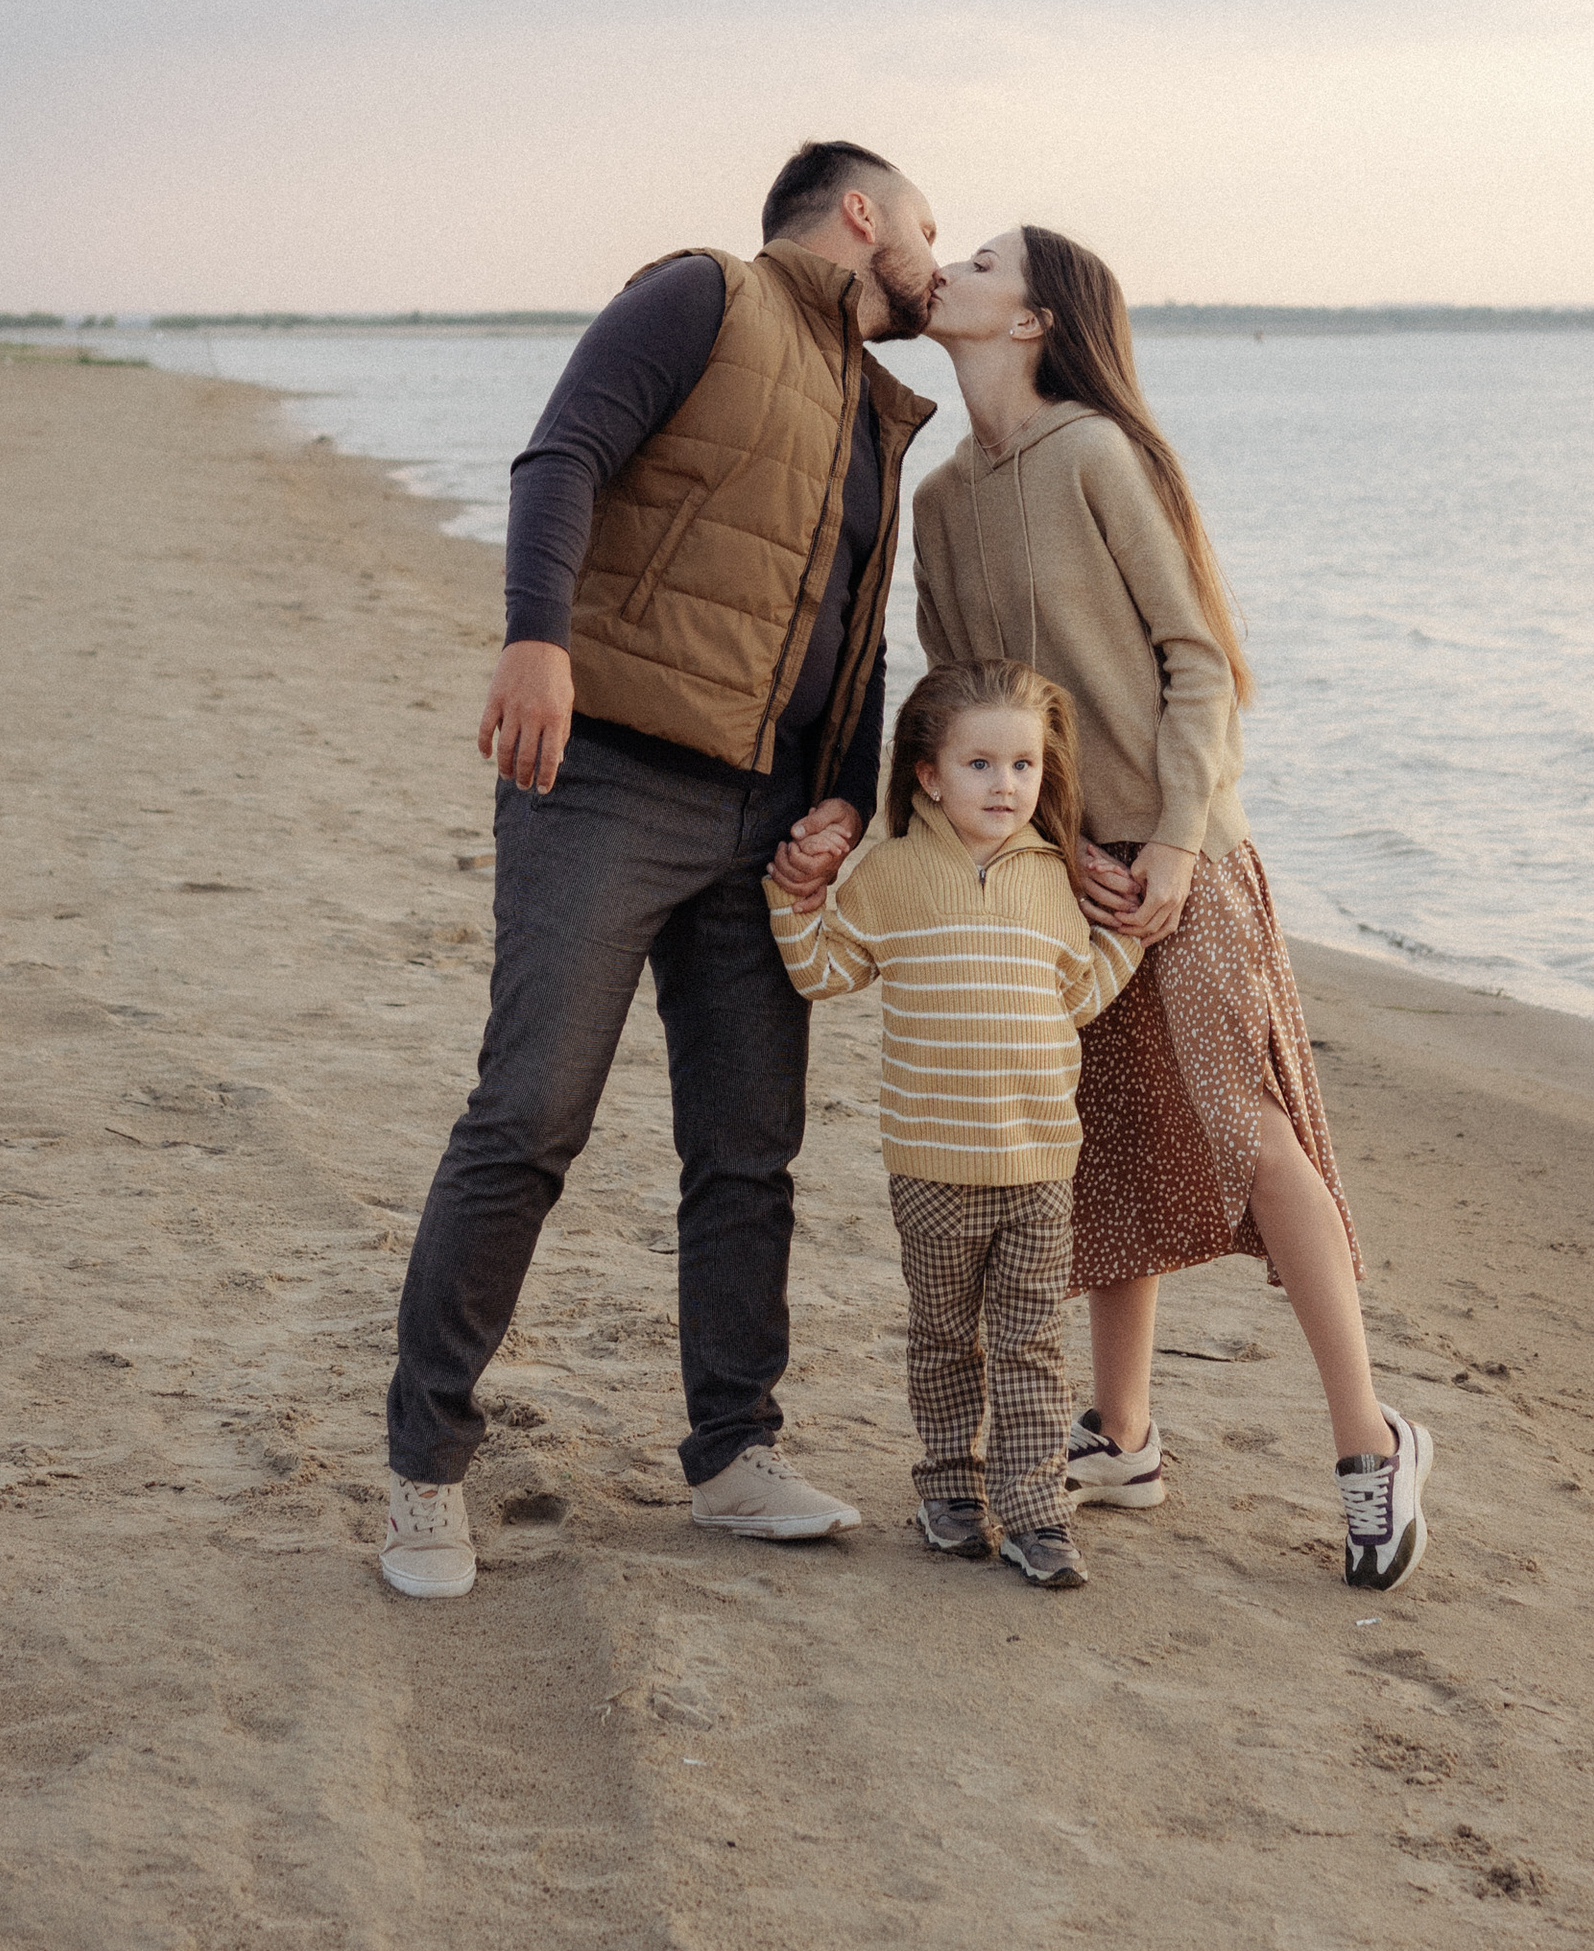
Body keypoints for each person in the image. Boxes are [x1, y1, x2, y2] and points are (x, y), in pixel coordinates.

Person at [376, 140, 940, 1599]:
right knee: (530, 1115)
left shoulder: (884, 414)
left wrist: (847, 802)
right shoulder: (705, 296)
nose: (941, 262)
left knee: (748, 1149)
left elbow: (856, 637)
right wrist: (534, 636)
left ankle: (734, 1453)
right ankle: (425, 1470)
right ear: (862, 216)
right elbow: (564, 453)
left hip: (769, 821)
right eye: (930, 229)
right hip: (611, 778)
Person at [912, 227, 1433, 1595]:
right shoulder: (942, 498)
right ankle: (1126, 1437)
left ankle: (1370, 1445)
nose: (948, 266)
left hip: (1185, 864)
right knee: (1101, 1152)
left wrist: (1181, 850)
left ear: (1032, 320)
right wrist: (1049, 840)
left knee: (1249, 1131)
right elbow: (970, 708)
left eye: (978, 260)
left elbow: (1200, 665)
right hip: (1064, 873)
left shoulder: (1092, 453)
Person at [764, 661, 1143, 1591]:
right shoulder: (890, 875)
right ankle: (946, 1486)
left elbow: (1081, 995)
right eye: (981, 764)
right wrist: (790, 897)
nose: (1006, 785)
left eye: (1023, 766)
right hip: (932, 1166)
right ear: (929, 776)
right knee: (942, 1338)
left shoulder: (1057, 881)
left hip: (1042, 1165)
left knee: (1027, 1346)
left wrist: (1130, 932)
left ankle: (1036, 1513)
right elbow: (822, 973)